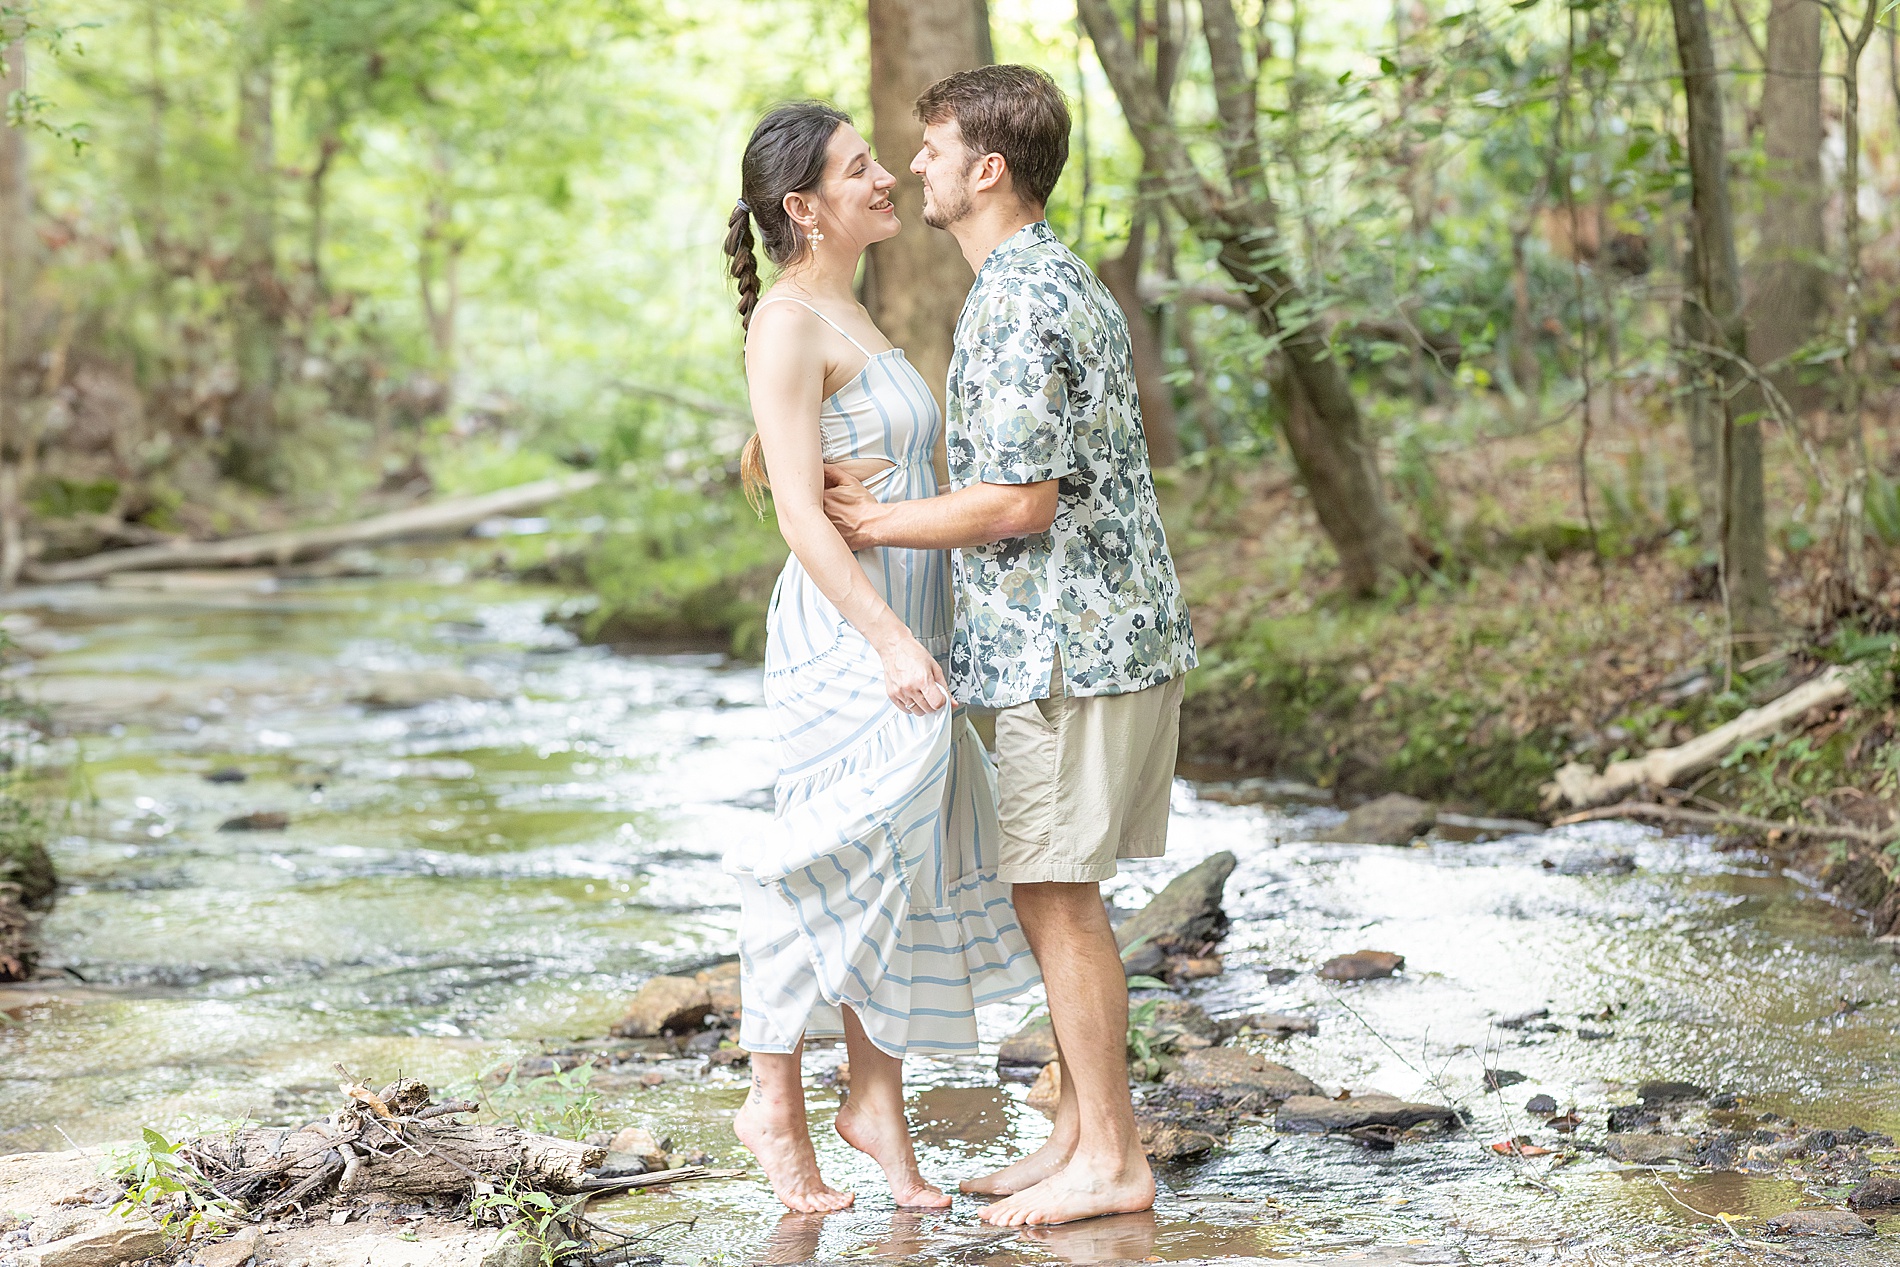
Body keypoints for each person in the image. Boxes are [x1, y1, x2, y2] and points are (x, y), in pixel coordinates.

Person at [822, 65, 1198, 1228]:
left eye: (931, 148)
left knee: (1056, 896)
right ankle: (1081, 1133)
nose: (914, 167)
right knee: (1055, 893)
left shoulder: (1019, 298)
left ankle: (1114, 1160)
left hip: (1068, 653)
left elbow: (1019, 500)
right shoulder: (1040, 281)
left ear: (988, 168)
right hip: (1093, 642)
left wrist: (875, 520)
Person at [720, 102, 1042, 1215]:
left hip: (905, 612)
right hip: (847, 631)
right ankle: (772, 1096)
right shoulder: (787, 324)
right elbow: (802, 517)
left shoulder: (848, 304)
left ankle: (874, 1106)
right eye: (861, 169)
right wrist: (891, 636)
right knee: (819, 860)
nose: (886, 178)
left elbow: (861, 483)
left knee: (892, 878)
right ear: (801, 206)